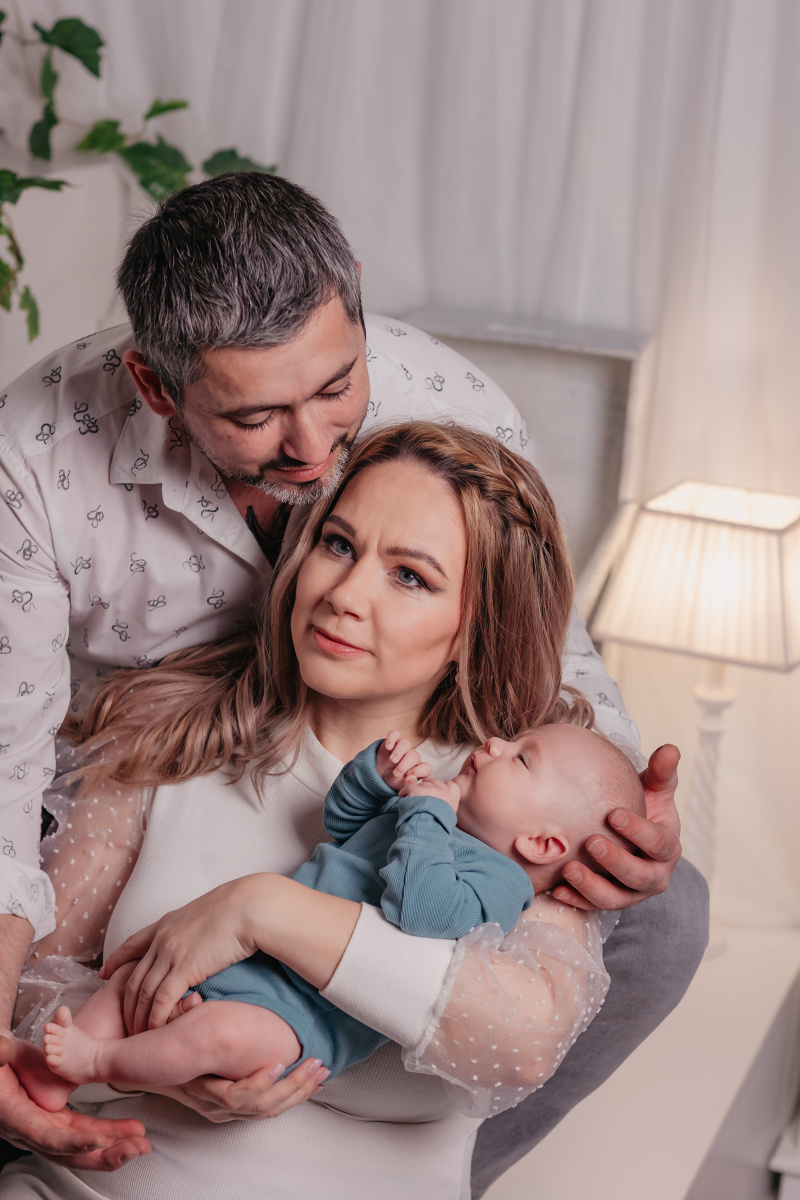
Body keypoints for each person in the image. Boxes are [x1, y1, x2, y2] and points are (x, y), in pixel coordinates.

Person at [0, 173, 703, 1186]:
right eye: (333, 542)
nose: (312, 446)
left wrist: (262, 911)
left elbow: (547, 660)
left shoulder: (448, 406)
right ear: (156, 386)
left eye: (336, 390)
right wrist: (128, 1061)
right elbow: (11, 781)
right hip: (159, 728)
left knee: (667, 913)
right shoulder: (35, 464)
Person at [1, 422, 653, 1198]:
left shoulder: (513, 814)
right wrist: (161, 1060)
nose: (344, 596)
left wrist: (261, 910)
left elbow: (521, 1040)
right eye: (338, 545)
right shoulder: (164, 736)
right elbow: (34, 990)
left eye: (409, 576)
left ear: (472, 628)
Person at [10, 722, 643, 1111]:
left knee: (222, 1039)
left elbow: (420, 911)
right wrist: (375, 779)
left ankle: (100, 1064)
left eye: (521, 758)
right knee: (131, 984)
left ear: (542, 845)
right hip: (244, 962)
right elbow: (342, 825)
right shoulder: (428, 816)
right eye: (512, 739)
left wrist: (427, 811)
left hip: (297, 1020)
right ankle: (52, 1075)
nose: (496, 745)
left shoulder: (499, 885)